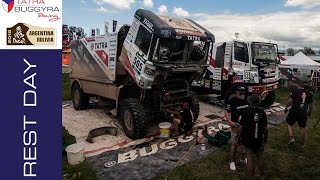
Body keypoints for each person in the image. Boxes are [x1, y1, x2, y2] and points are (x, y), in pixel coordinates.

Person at [238, 94, 268, 180]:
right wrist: (265, 138)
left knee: (250, 158)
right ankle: (262, 176)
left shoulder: (245, 112)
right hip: (259, 139)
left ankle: (251, 178)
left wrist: (238, 138)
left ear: (249, 102)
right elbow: (265, 129)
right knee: (260, 156)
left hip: (248, 140)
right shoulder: (262, 112)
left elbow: (240, 128)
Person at [225, 85, 249, 171]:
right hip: (236, 124)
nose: (242, 94)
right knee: (234, 143)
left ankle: (243, 158)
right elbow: (226, 112)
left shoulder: (246, 100)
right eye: (240, 93)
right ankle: (232, 162)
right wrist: (229, 121)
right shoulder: (232, 101)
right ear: (236, 93)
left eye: (243, 93)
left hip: (245, 125)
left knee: (244, 142)